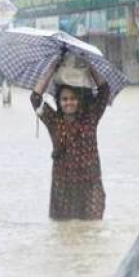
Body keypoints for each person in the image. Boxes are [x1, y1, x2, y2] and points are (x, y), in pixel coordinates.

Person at [30, 66, 110, 220]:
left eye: (73, 99)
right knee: (65, 232)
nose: (69, 103)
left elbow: (104, 91)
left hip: (90, 186)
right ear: (58, 102)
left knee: (91, 229)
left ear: (79, 100)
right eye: (64, 99)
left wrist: (90, 65)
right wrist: (51, 70)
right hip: (63, 188)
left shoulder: (90, 118)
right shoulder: (54, 121)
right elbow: (35, 98)